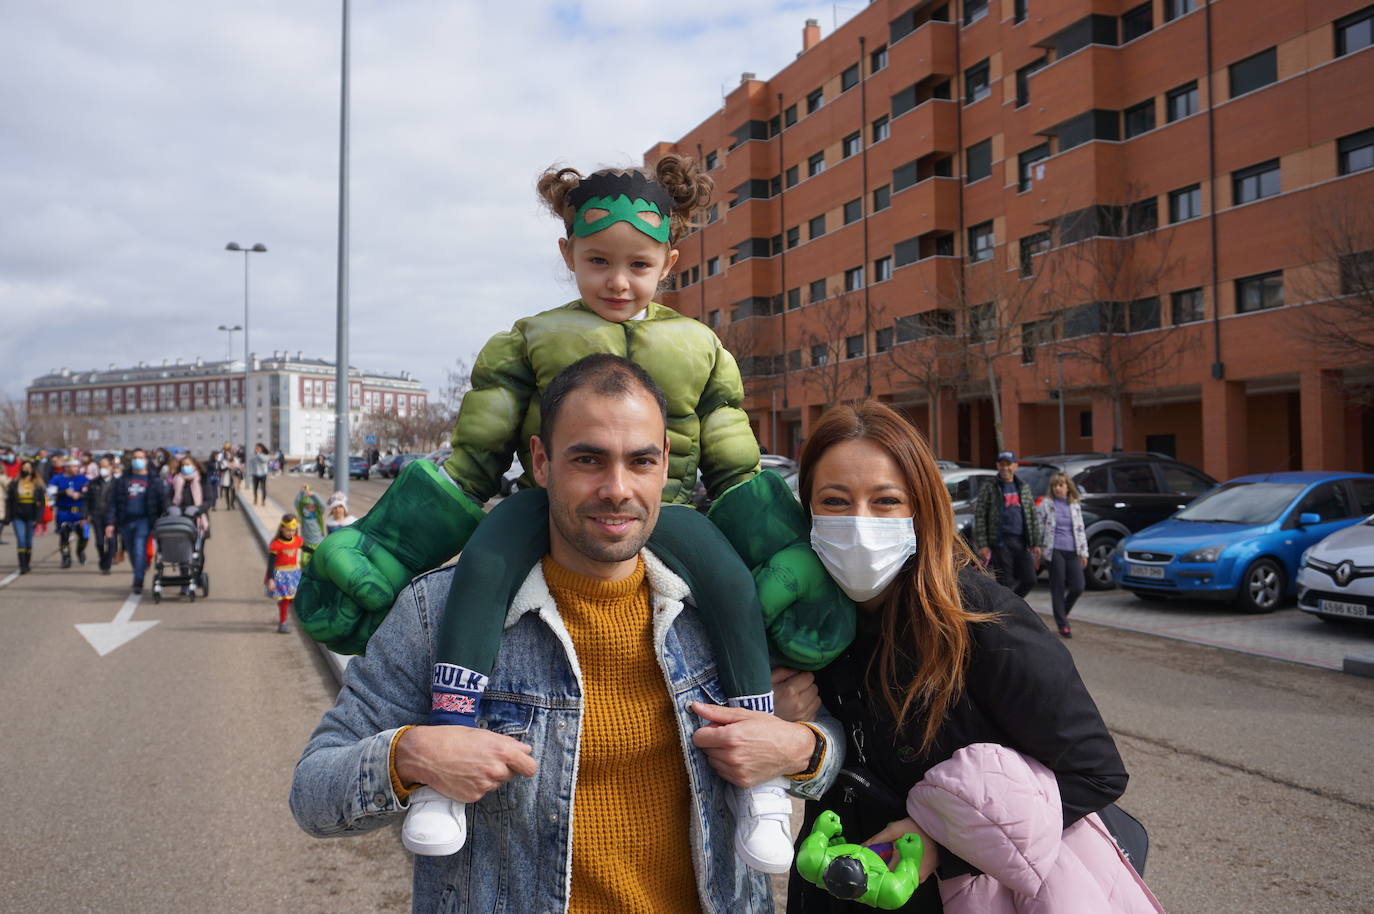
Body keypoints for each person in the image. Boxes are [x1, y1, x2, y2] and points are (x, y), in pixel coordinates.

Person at [290, 358, 841, 913]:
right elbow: (313, 791)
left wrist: (803, 747)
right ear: (542, 462)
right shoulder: (437, 611)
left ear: (665, 464)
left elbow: (837, 746)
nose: (617, 489)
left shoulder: (725, 609)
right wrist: (409, 756)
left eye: (640, 461)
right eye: (588, 460)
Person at [786, 403, 1158, 913]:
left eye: (886, 501)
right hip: (832, 885)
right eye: (835, 500)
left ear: (920, 508)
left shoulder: (977, 618)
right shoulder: (801, 624)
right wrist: (785, 725)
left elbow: (1094, 773)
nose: (860, 522)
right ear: (806, 509)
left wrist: (945, 842)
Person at [972, 450, 1041, 598]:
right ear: (997, 466)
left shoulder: (1023, 487)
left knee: (1030, 579)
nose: (1005, 468)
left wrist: (1036, 543)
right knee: (1006, 583)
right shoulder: (990, 487)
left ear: (1015, 466)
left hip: (1021, 542)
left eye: (1008, 464)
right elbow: (980, 516)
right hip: (1001, 542)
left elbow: (1032, 516)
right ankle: (1008, 614)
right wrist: (983, 545)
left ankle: (1012, 605)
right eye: (1001, 464)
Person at [104, 448, 167, 595]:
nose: (137, 460)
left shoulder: (154, 481)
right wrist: (110, 523)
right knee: (132, 552)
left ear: (146, 460)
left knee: (139, 550)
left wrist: (162, 519)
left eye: (140, 457)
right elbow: (113, 503)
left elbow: (162, 502)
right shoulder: (122, 481)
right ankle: (140, 569)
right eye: (134, 458)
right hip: (126, 521)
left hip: (144, 521)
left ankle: (138, 580)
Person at [1036, 471, 1089, 638]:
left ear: (1068, 487)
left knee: (1078, 586)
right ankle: (1063, 624)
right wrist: (1037, 550)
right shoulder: (1046, 504)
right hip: (1054, 550)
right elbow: (1038, 528)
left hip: (1073, 551)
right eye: (1055, 485)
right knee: (1057, 587)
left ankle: (1062, 613)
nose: (1058, 488)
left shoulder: (1074, 505)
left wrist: (1084, 553)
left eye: (1061, 485)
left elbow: (1081, 530)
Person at [5, 460, 45, 573]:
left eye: (28, 468)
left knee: (28, 542)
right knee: (21, 540)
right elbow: (9, 501)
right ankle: (22, 565)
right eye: (24, 467)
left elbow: (42, 504)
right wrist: (7, 517)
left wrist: (38, 518)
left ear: (32, 470)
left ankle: (27, 563)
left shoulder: (37, 485)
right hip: (18, 517)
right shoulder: (14, 484)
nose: (26, 470)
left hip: (31, 517)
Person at [265, 514, 303, 634]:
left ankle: (282, 606)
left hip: (294, 574)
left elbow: (306, 548)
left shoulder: (297, 540)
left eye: (293, 530)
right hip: (280, 575)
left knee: (290, 599)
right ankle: (282, 623)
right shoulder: (276, 544)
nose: (291, 532)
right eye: (288, 530)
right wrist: (270, 579)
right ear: (281, 528)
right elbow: (270, 563)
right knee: (286, 600)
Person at [51, 457, 90, 568]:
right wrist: (64, 492)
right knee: (64, 536)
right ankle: (66, 558)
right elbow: (50, 493)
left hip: (80, 512)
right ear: (66, 467)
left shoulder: (83, 478)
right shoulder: (57, 479)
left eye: (77, 466)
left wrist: (80, 495)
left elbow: (89, 493)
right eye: (73, 466)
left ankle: (80, 550)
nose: (76, 469)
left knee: (84, 536)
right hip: (64, 512)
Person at [86, 458, 117, 575]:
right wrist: (85, 515)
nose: (103, 470)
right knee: (99, 541)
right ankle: (102, 557)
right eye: (101, 467)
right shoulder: (93, 483)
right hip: (97, 516)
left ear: (111, 468)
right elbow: (87, 500)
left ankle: (107, 564)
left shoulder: (117, 483)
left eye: (105, 467)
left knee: (111, 541)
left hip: (112, 517)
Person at [169, 455, 210, 537]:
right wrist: (171, 507)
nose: (185, 467)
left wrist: (198, 509)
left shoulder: (202, 480)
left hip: (197, 518)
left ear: (195, 466)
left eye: (187, 465)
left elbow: (209, 500)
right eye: (183, 465)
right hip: (179, 518)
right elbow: (168, 498)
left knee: (196, 548)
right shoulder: (177, 480)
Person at [294, 485, 327, 565]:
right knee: (304, 562)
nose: (310, 508)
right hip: (306, 543)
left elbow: (323, 505)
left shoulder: (318, 514)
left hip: (318, 542)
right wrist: (301, 492)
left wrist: (313, 494)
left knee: (318, 563)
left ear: (315, 507)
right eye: (307, 506)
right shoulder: (303, 515)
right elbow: (297, 504)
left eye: (312, 507)